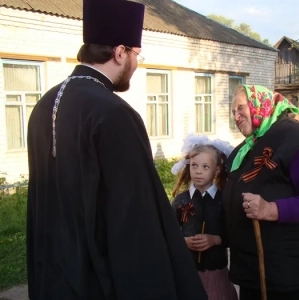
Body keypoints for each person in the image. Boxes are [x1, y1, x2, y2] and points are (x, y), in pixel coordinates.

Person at [26, 1, 208, 299]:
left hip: (54, 274)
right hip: (99, 278)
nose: (136, 64)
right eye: (136, 54)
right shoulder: (113, 112)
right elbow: (135, 216)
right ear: (120, 52)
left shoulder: (43, 105)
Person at [223, 84, 299, 300]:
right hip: (255, 272)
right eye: (233, 112)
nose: (236, 117)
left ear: (259, 105)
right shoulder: (248, 147)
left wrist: (270, 209)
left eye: (240, 108)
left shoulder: (294, 138)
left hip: (290, 276)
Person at [171, 134, 238, 300]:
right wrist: (183, 241)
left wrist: (215, 239)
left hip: (216, 274)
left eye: (205, 167)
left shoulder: (223, 200)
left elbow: (234, 234)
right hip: (188, 273)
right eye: (194, 165)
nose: (198, 171)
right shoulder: (181, 200)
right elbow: (168, 232)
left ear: (217, 169)